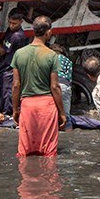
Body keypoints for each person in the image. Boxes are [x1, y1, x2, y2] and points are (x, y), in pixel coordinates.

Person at [12, 16, 66, 155]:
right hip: (47, 105)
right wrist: (62, 112)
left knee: (24, 151)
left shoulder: (19, 54)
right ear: (48, 32)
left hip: (27, 105)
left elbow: (16, 85)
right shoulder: (51, 55)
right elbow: (55, 86)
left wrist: (15, 109)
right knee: (49, 152)